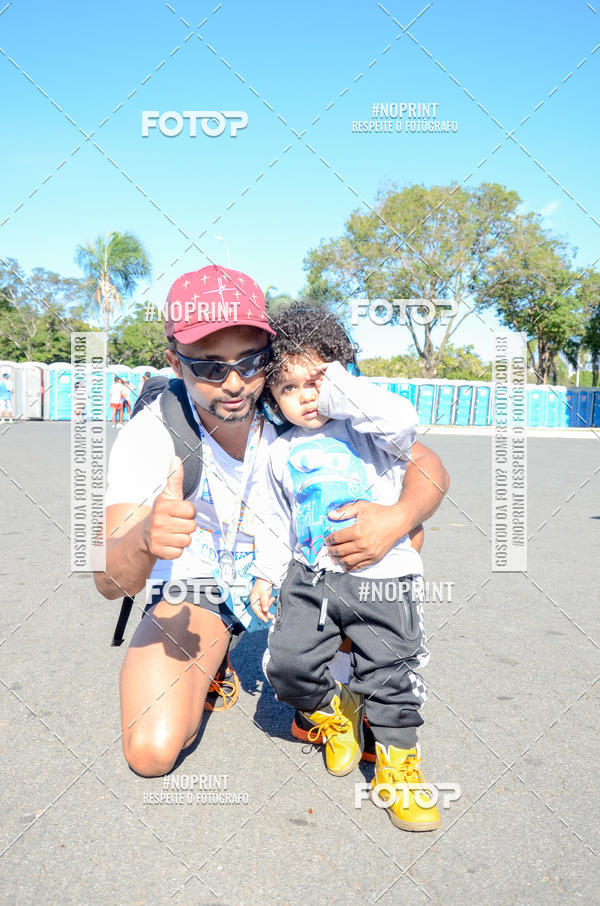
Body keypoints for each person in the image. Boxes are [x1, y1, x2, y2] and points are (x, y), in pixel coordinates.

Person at [93, 265, 449, 779]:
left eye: (250, 361)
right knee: (151, 752)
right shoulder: (152, 435)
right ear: (175, 360)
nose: (234, 383)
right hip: (200, 586)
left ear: (270, 349)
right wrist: (145, 540)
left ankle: (348, 675)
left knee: (404, 529)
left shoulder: (298, 400)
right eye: (209, 367)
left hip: (298, 571)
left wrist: (395, 519)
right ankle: (216, 659)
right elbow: (107, 578)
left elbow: (427, 467)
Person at [250, 302, 441, 832]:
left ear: (340, 375)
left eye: (317, 380)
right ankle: (336, 716)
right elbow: (271, 518)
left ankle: (399, 769)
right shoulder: (276, 450)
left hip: (380, 577)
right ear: (271, 395)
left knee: (391, 674)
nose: (307, 397)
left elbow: (404, 419)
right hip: (310, 575)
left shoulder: (370, 431)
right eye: (288, 387)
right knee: (286, 664)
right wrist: (265, 573)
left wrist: (340, 386)